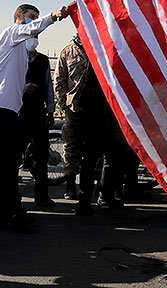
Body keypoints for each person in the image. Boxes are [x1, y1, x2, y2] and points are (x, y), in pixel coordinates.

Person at [0, 4, 68, 228]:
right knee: (8, 162)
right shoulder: (10, 33)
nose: (33, 24)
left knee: (2, 163)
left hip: (6, 110)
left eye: (35, 19)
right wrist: (53, 16)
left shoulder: (19, 51)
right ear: (18, 17)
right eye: (30, 18)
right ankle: (13, 211)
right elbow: (29, 29)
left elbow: (8, 80)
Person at [55, 34, 120, 214]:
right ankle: (77, 193)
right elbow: (60, 79)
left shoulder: (103, 48)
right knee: (76, 151)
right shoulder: (68, 51)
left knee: (106, 156)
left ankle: (103, 195)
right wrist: (63, 105)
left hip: (104, 111)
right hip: (77, 110)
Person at [18, 37, 56, 208]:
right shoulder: (15, 57)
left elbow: (49, 85)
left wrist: (50, 110)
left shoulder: (43, 60)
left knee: (41, 157)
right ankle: (12, 198)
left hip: (38, 112)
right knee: (14, 154)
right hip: (18, 112)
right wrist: (23, 87)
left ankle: (42, 196)